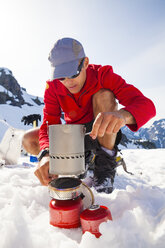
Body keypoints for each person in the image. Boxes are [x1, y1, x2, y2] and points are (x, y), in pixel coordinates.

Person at [22, 37, 156, 193]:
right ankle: (84, 158)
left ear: (85, 63)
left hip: (100, 131)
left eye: (72, 74)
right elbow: (49, 124)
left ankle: (104, 163)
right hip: (73, 136)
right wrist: (46, 153)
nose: (67, 82)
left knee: (104, 95)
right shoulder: (52, 87)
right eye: (61, 76)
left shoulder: (102, 75)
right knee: (28, 139)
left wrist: (122, 115)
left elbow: (147, 106)